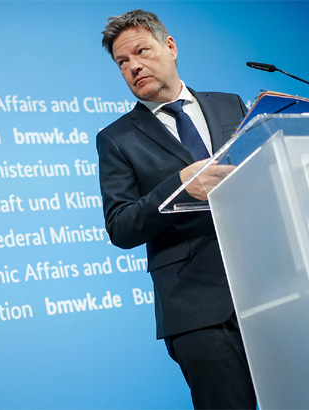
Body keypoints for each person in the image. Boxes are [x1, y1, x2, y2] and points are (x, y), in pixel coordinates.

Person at [97, 9, 257, 409]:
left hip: (268, 284)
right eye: (122, 62)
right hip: (197, 307)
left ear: (170, 47)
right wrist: (180, 187)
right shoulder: (117, 139)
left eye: (141, 52)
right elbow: (121, 226)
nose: (133, 66)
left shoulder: (230, 105)